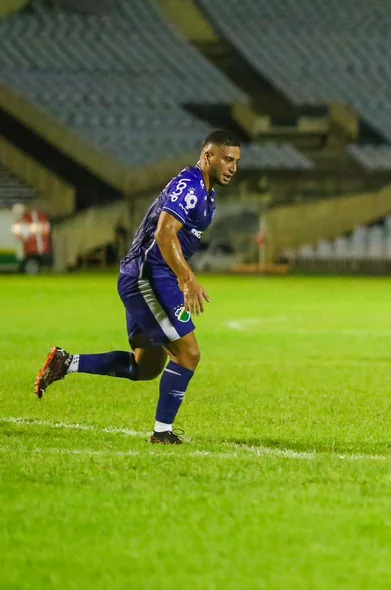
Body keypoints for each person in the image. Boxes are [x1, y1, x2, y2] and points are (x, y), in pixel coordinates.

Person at [34, 130, 241, 444]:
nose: (232, 167)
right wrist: (187, 278)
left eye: (236, 161)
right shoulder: (190, 186)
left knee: (146, 367)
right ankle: (162, 434)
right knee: (189, 354)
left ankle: (67, 362)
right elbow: (164, 234)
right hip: (149, 276)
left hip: (148, 276)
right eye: (227, 159)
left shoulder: (207, 192)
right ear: (207, 156)